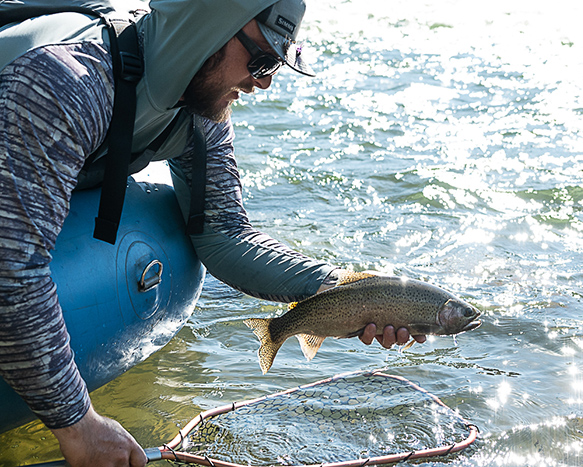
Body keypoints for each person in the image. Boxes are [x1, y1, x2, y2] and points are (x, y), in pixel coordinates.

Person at [0, 0, 426, 465]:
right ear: (206, 27)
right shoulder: (67, 82)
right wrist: (78, 423)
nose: (263, 82)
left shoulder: (198, 111)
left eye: (277, 66)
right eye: (262, 60)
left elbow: (225, 235)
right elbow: (10, 268)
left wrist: (342, 289)